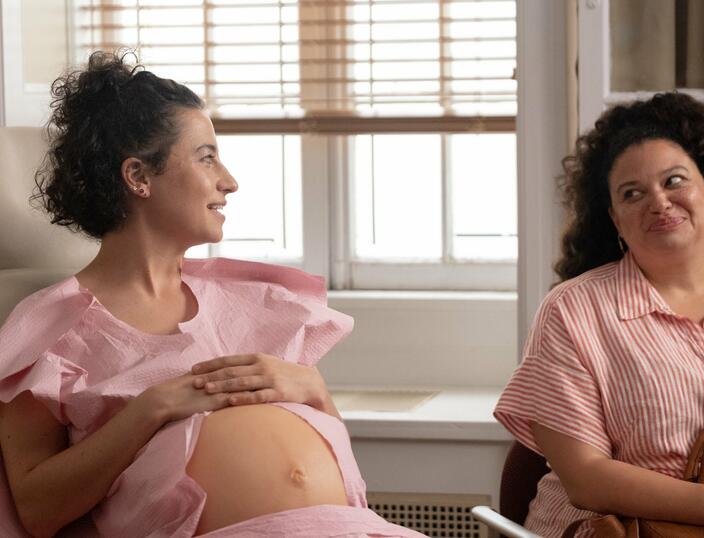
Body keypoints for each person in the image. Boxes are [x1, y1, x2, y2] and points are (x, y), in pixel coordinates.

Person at [0, 51, 426, 538]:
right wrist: (152, 408)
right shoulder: (48, 329)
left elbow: (329, 456)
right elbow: (36, 510)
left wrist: (316, 393)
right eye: (207, 157)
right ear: (138, 176)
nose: (230, 181)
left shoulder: (257, 303)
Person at [494, 92, 704, 538]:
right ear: (616, 221)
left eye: (674, 181)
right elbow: (586, 479)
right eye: (632, 193)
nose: (658, 202)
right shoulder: (572, 311)